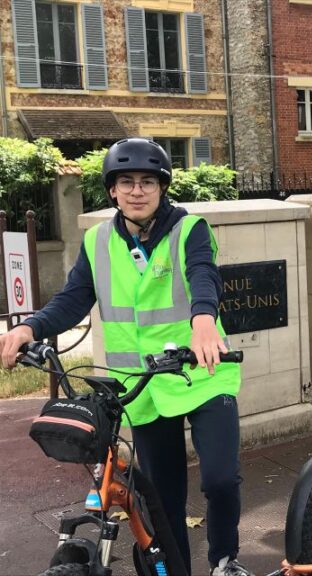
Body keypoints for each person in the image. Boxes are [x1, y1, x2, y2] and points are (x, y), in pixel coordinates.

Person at [0, 138, 252, 576]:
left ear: (162, 188)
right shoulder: (98, 241)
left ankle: (226, 561)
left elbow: (203, 276)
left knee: (219, 479)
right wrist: (29, 326)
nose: (138, 191)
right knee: (160, 500)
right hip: (144, 386)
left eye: (148, 182)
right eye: (127, 182)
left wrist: (204, 320)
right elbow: (73, 299)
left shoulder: (189, 230)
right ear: (113, 191)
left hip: (202, 371)